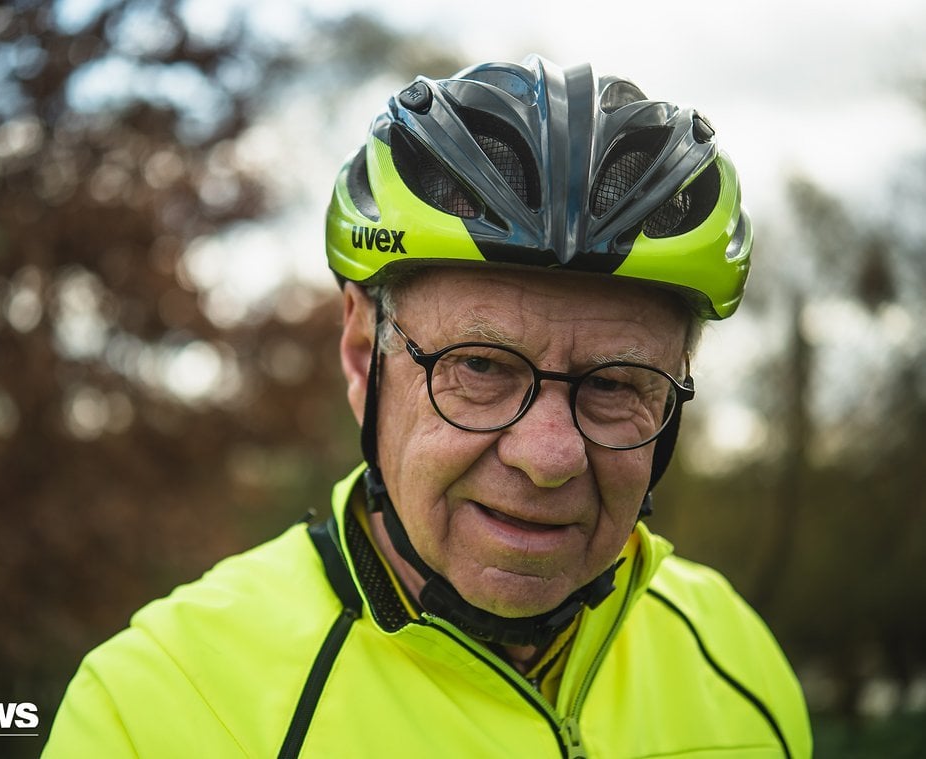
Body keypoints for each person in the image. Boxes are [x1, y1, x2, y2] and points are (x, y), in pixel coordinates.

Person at [42, 55, 812, 758]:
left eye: (615, 384)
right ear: (359, 353)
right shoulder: (158, 707)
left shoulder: (739, 661)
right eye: (478, 366)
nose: (546, 458)